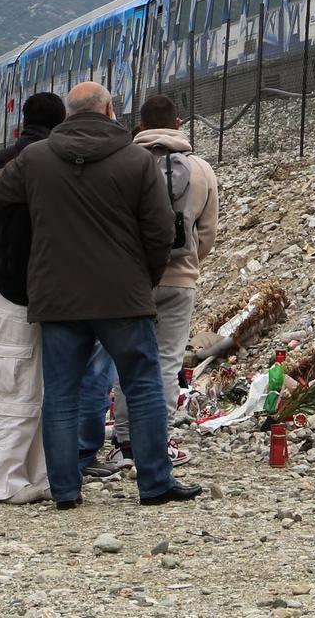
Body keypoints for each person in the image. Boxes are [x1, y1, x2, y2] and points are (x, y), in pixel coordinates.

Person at [0, 82, 199, 509]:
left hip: (57, 296)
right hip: (123, 295)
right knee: (141, 386)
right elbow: (161, 231)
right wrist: (144, 277)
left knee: (62, 392)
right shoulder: (136, 160)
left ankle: (65, 489)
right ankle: (155, 482)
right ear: (108, 110)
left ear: (69, 115)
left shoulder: (36, 158)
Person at [106, 95, 217, 470]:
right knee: (167, 362)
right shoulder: (200, 169)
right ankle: (159, 441)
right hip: (179, 279)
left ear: (139, 126)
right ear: (179, 124)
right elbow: (208, 232)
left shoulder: (121, 165)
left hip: (129, 280)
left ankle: (125, 442)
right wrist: (187, 264)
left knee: (129, 361)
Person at [0, 91, 64, 502]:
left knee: (13, 379)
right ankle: (8, 480)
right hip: (43, 288)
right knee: (27, 385)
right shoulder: (54, 162)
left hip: (5, 287)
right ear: (59, 121)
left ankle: (25, 473)